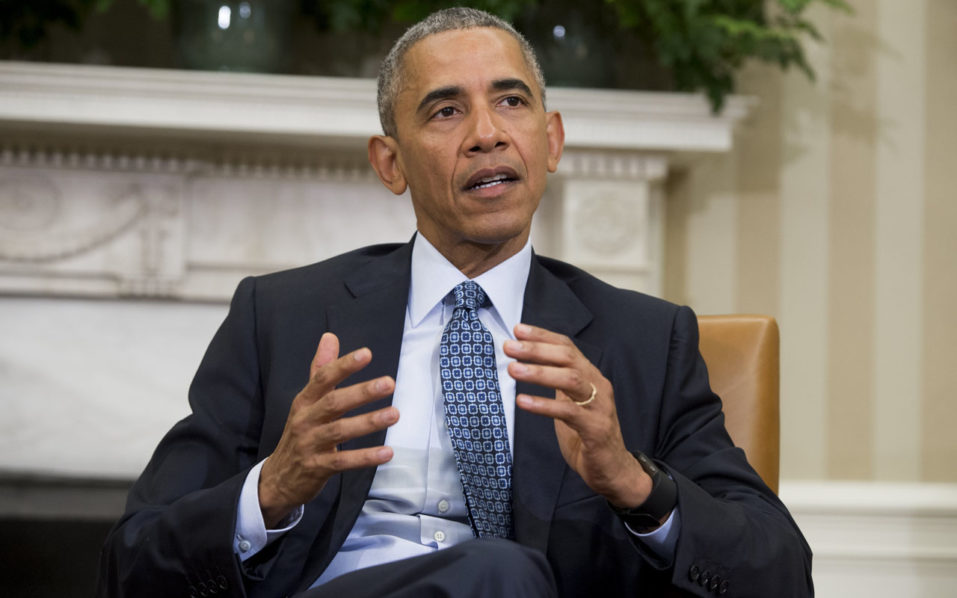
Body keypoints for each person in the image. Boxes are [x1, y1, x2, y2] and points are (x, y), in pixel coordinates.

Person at [97, 7, 812, 598]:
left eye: (510, 101)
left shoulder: (645, 340)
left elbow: (777, 573)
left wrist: (631, 482)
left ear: (551, 139)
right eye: (445, 111)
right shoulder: (281, 316)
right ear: (390, 163)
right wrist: (272, 489)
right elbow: (131, 562)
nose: (486, 134)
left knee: (498, 572)